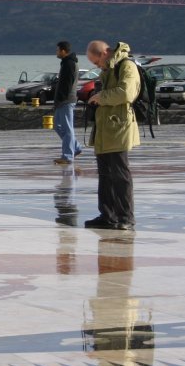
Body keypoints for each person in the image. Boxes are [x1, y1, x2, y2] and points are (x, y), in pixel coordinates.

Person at [84, 40, 140, 230]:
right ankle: (108, 215)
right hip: (105, 127)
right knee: (105, 174)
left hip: (119, 127)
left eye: (95, 62)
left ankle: (126, 217)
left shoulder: (127, 66)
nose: (96, 66)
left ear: (104, 53)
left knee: (120, 174)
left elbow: (127, 93)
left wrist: (101, 97)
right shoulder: (109, 69)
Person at [53, 40, 84, 164]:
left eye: (57, 50)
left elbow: (67, 84)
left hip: (66, 100)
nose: (56, 52)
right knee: (57, 126)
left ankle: (67, 156)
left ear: (63, 51)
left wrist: (61, 98)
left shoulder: (69, 64)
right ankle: (75, 147)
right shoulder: (65, 63)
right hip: (62, 101)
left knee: (67, 128)